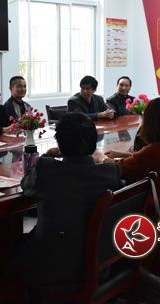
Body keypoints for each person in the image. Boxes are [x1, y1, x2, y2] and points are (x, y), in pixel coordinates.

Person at [15, 112, 122, 289]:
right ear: (94, 142)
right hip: (99, 264)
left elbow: (26, 187)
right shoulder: (111, 172)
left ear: (59, 143)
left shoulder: (46, 169)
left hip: (50, 267)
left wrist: (46, 156)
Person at [105, 98, 160, 217]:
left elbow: (119, 169)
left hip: (159, 216)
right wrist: (120, 154)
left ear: (151, 121)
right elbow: (143, 157)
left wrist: (104, 160)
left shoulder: (156, 151)